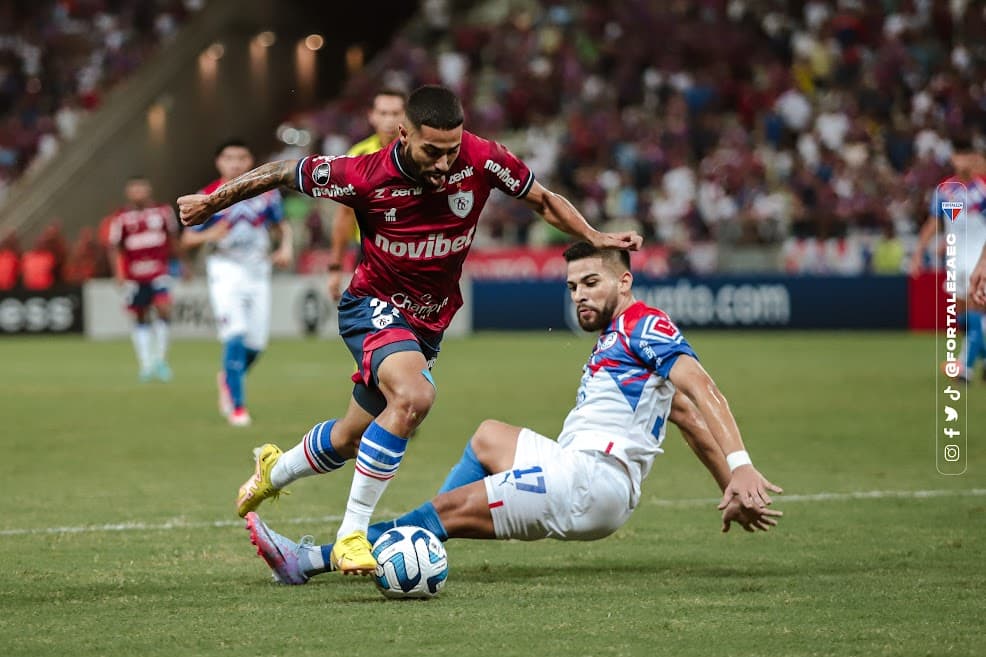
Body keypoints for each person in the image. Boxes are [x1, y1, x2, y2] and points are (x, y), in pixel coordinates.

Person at [177, 85, 645, 575]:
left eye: (451, 151)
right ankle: (351, 535)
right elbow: (279, 172)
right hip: (372, 305)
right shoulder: (363, 173)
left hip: (428, 321)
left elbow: (542, 201)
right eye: (432, 152)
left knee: (351, 436)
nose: (445, 164)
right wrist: (213, 203)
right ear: (404, 133)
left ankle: (274, 470)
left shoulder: (482, 158)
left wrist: (594, 236)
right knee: (414, 397)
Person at [241, 242, 783, 585]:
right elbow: (685, 417)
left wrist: (739, 464)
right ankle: (429, 527)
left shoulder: (645, 324)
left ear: (624, 282)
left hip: (590, 483)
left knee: (444, 511)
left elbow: (702, 387)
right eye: (572, 286)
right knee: (487, 437)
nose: (579, 296)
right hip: (580, 469)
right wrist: (726, 483)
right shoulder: (619, 337)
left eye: (591, 283)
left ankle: (308, 561)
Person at [180, 139, 293, 426]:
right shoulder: (207, 195)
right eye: (229, 158)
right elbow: (186, 239)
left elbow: (282, 225)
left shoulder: (265, 194)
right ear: (219, 162)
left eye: (241, 158)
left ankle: (227, 377)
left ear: (250, 160)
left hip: (258, 270)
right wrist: (208, 235)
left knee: (256, 344)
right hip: (225, 268)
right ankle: (238, 408)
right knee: (236, 334)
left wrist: (285, 247)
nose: (235, 163)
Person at [910, 137, 986, 381]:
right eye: (959, 156)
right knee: (965, 316)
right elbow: (935, 224)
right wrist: (919, 253)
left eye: (969, 157)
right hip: (957, 259)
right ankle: (976, 356)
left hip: (979, 258)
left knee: (977, 310)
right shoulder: (945, 191)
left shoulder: (983, 188)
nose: (964, 161)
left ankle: (965, 367)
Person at [327, 89, 406, 301]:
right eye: (383, 113)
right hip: (369, 253)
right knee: (369, 322)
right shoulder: (357, 156)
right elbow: (345, 214)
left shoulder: (421, 154)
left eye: (395, 113)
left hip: (411, 252)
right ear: (371, 115)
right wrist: (335, 267)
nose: (389, 120)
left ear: (406, 116)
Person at [105, 176, 179, 382]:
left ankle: (161, 360)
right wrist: (118, 273)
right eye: (134, 189)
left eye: (141, 189)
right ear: (128, 193)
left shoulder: (163, 211)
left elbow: (173, 238)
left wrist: (183, 265)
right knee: (139, 315)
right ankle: (146, 364)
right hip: (134, 275)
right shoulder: (121, 217)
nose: (138, 193)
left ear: (149, 190)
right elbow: (114, 247)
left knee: (164, 308)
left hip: (159, 271)